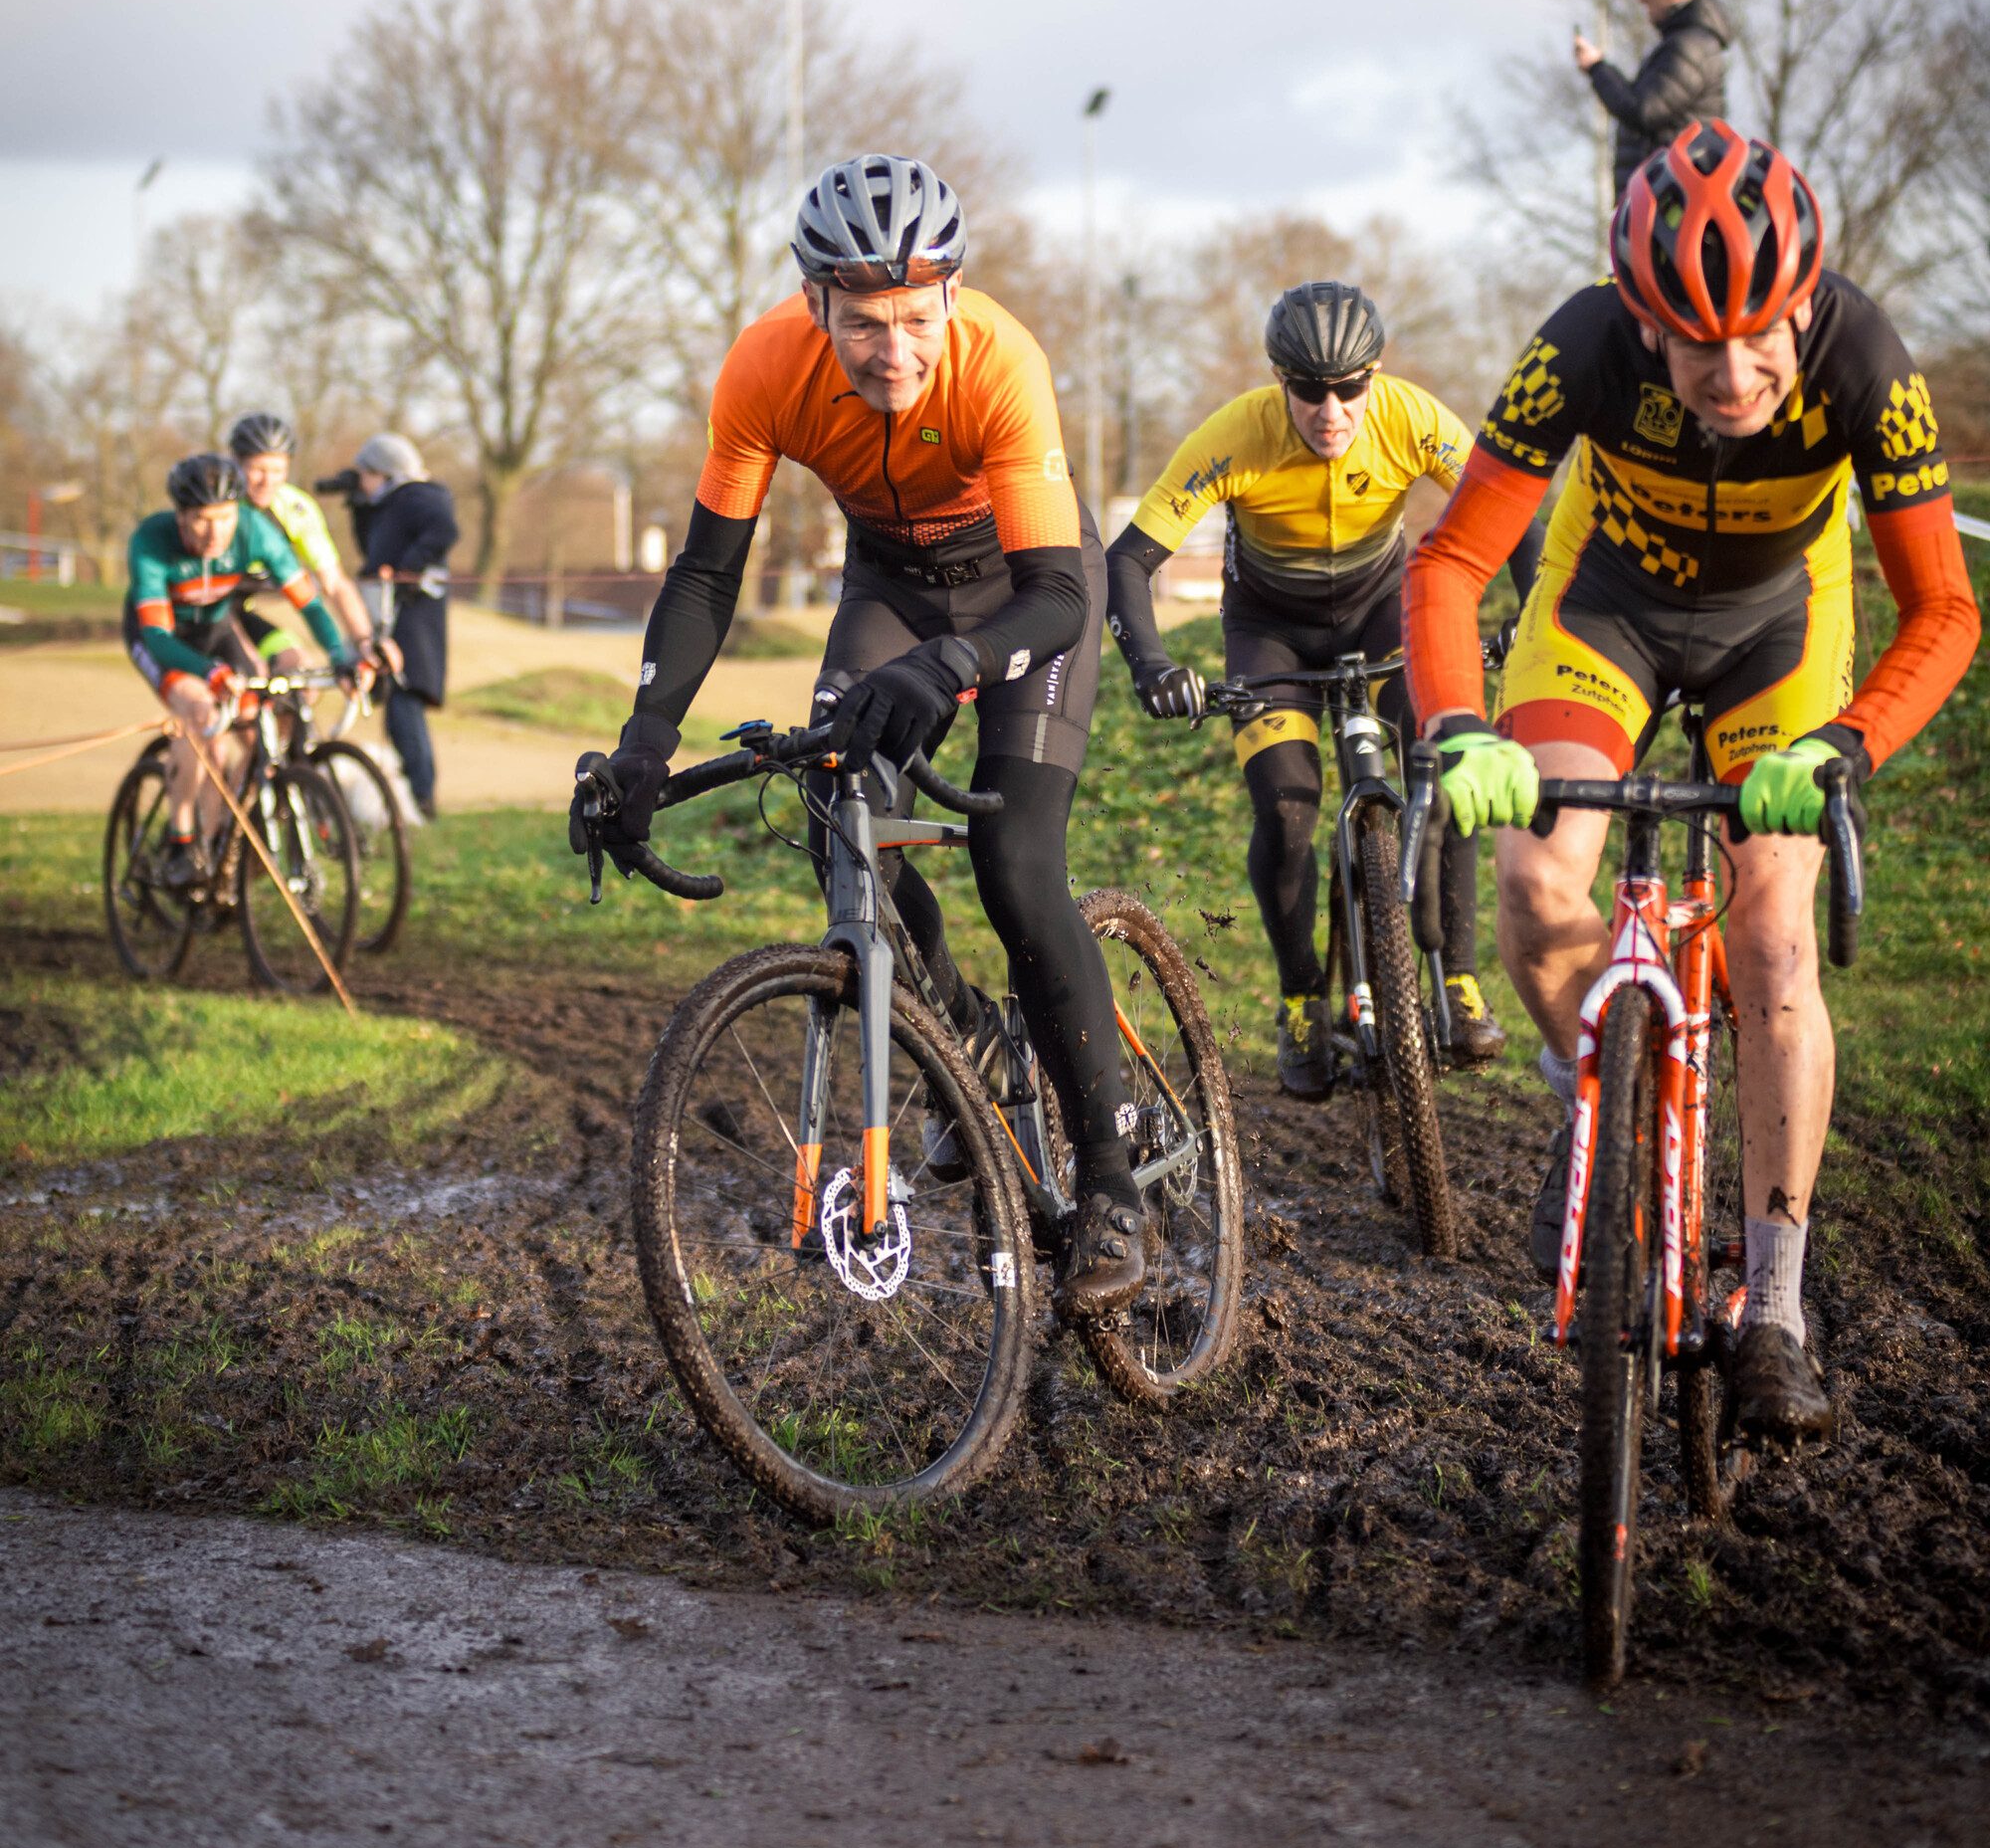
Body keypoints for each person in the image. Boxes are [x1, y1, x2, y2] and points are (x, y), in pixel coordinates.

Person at [1405, 121, 1980, 1444]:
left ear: (1806, 303)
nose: (1736, 372)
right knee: (1538, 878)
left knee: (1775, 941)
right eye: (1695, 340)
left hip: (1778, 629)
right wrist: (1455, 727)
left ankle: (1775, 1305)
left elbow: (1942, 609)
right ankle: (1594, 1108)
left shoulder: (1866, 363)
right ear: (1641, 323)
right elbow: (1448, 566)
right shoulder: (1581, 345)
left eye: (1763, 334)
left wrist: (1847, 745)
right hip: (1605, 609)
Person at [580, 152, 1153, 1315]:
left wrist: (955, 664)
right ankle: (968, 1047)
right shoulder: (761, 371)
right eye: (861, 323)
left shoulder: (999, 361)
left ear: (948, 298)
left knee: (1014, 860)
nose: (893, 349)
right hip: (889, 582)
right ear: (814, 307)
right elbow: (703, 573)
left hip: (1026, 587)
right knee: (838, 807)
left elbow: (1056, 597)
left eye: (912, 318)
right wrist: (644, 737)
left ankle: (1110, 1186)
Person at [1106, 281, 1540, 1095]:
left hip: (1387, 610)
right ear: (1281, 381)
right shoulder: (1238, 433)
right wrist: (1151, 665)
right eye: (1309, 389)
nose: (1331, 410)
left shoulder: (1412, 418)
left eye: (1350, 388)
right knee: (1287, 808)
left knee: (1440, 764)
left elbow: (1512, 509)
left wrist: (1528, 615)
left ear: (1374, 377)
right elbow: (1128, 557)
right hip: (1271, 629)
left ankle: (1458, 976)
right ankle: (1303, 993)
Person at [123, 453, 357, 886]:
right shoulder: (152, 540)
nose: (215, 533)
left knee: (256, 727)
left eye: (225, 518)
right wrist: (206, 674)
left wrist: (340, 655)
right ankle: (180, 841)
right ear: (180, 516)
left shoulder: (255, 531)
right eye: (200, 520)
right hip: (164, 640)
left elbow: (308, 601)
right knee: (201, 714)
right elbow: (156, 636)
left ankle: (217, 845)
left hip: (216, 631)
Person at [226, 410, 391, 681]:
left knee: (299, 669)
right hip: (203, 615)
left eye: (278, 470)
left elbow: (335, 584)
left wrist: (363, 641)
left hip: (241, 611)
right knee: (246, 675)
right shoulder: (221, 509)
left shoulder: (296, 509)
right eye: (257, 469)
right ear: (235, 463)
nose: (268, 481)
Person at [349, 435, 458, 821]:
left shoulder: (418, 495)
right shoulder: (393, 504)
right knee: (400, 712)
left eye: (365, 475)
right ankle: (417, 799)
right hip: (398, 616)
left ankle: (422, 798)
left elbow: (444, 529)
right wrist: (359, 507)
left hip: (412, 625)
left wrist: (407, 570)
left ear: (385, 472)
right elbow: (373, 551)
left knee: (404, 708)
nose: (360, 482)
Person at [1575, 0, 1732, 200]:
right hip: (1667, 195)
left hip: (1672, 199)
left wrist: (1597, 68)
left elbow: (1643, 110)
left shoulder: (1689, 46)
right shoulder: (1686, 43)